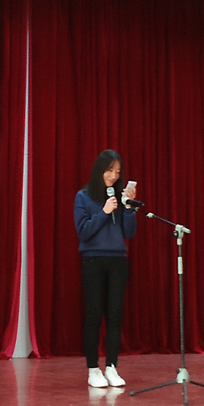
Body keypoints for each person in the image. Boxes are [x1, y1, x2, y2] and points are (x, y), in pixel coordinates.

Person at [74, 149, 138, 388]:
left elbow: (129, 232)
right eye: (110, 170)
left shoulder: (118, 199)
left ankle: (111, 367)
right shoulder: (83, 197)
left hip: (117, 261)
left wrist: (128, 208)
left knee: (114, 314)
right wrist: (103, 212)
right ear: (99, 170)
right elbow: (84, 232)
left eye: (118, 172)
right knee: (94, 314)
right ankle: (93, 369)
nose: (113, 176)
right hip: (93, 260)